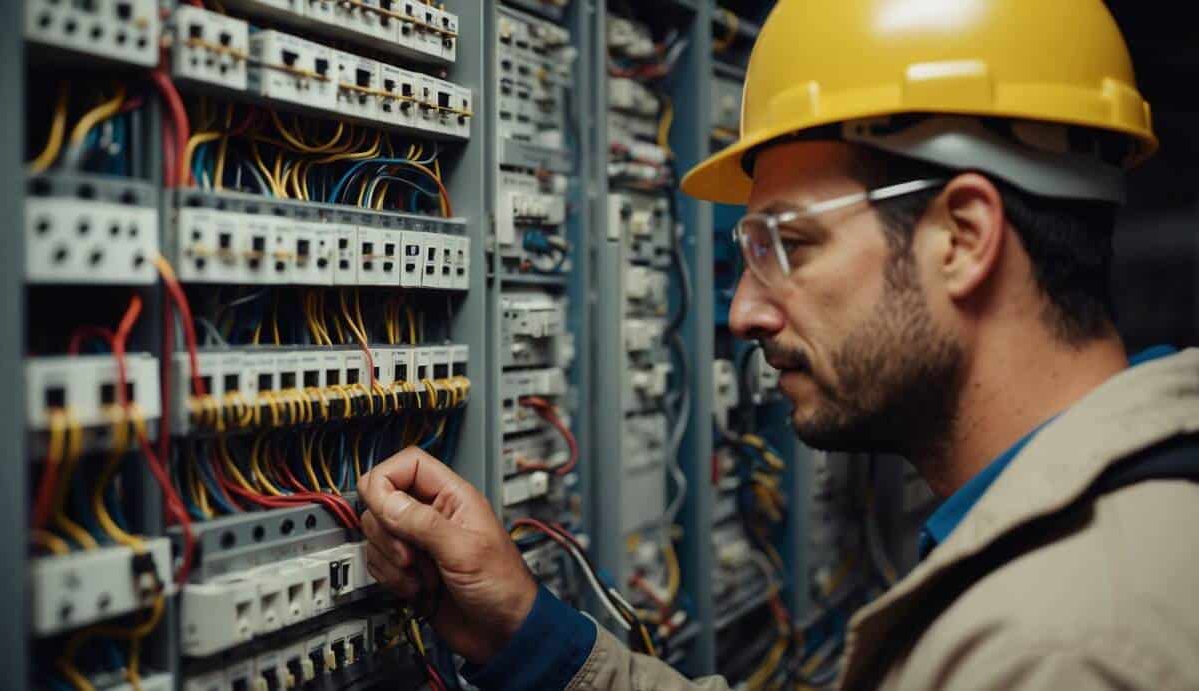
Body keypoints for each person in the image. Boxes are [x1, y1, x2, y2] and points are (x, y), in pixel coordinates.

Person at [358, 1, 1199, 689]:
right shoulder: (1097, 534)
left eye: (786, 244)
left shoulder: (1056, 650)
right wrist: (529, 634)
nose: (745, 312)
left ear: (962, 237)